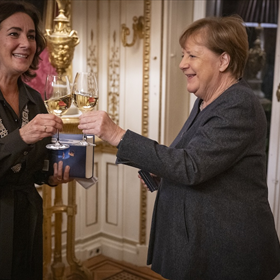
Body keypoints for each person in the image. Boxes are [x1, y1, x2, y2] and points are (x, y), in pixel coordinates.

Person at [78, 15, 280, 280]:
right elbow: (195, 157)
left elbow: (190, 167)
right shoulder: (207, 100)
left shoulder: (238, 104)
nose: (183, 64)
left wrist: (117, 134)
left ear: (223, 60)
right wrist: (161, 172)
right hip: (203, 242)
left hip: (229, 251)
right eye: (183, 55)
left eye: (192, 56)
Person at [0, 1, 70, 279]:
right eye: (14, 33)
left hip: (28, 214)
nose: (25, 43)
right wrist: (22, 137)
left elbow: (36, 164)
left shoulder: (35, 99)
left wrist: (51, 175)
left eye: (31, 36)